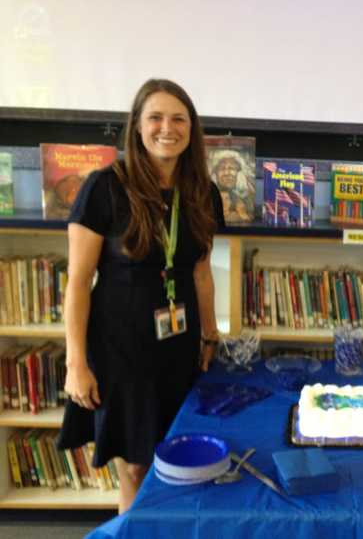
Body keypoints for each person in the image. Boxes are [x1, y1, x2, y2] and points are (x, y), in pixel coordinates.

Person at [57, 79, 225, 513]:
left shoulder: (204, 193)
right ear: (136, 126)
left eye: (179, 119)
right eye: (155, 117)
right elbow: (78, 282)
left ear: (192, 129)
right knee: (135, 466)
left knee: (183, 455)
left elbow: (201, 271)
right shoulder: (103, 187)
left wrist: (209, 334)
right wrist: (76, 363)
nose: (167, 128)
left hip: (180, 346)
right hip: (122, 349)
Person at [209, 149, 253, 222]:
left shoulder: (247, 199)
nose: (227, 173)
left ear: (239, 173)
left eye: (231, 168)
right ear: (215, 173)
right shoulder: (207, 197)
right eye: (222, 168)